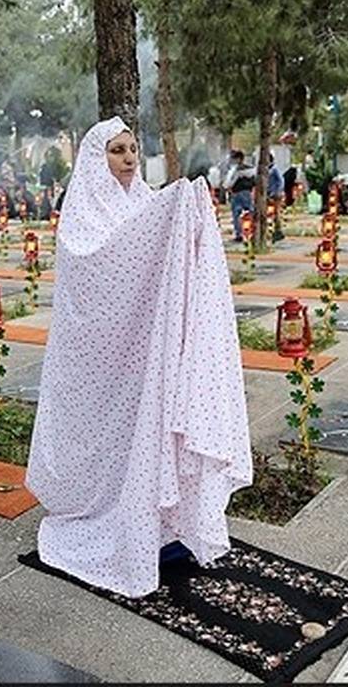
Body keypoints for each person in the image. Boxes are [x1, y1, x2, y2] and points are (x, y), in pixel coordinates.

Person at [25, 117, 252, 599]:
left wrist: (183, 206)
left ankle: (156, 521)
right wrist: (174, 206)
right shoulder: (82, 215)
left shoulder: (146, 201)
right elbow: (101, 268)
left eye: (132, 149)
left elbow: (157, 249)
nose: (129, 158)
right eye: (117, 150)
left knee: (145, 435)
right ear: (96, 159)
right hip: (97, 365)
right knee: (109, 445)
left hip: (141, 358)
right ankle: (108, 517)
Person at [224, 149, 257, 242]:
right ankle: (252, 233)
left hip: (237, 194)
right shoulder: (251, 169)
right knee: (250, 213)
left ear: (239, 159)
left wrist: (226, 187)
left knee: (237, 214)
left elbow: (230, 183)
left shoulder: (236, 170)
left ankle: (239, 234)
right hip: (248, 193)